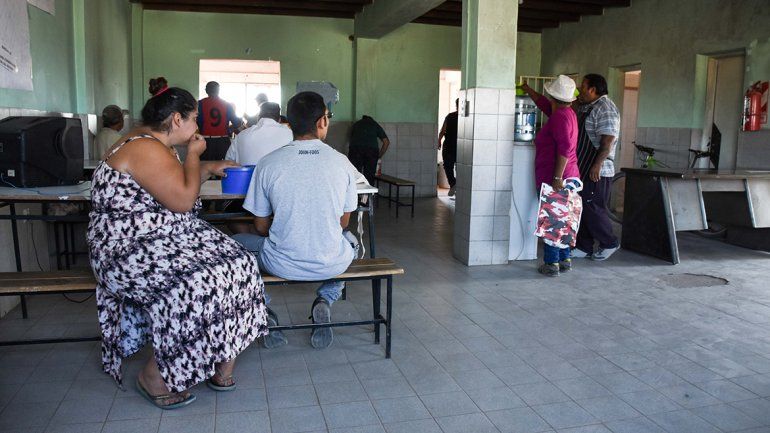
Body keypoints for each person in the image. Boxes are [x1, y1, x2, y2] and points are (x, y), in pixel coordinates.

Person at [87, 81, 268, 410]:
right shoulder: (144, 147)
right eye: (193, 119)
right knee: (194, 281)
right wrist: (195, 155)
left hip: (161, 238)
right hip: (126, 248)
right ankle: (154, 375)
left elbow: (170, 184)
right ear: (175, 120)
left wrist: (207, 166)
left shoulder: (152, 143)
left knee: (240, 263)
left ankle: (222, 357)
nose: (197, 126)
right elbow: (184, 200)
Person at [232, 91, 359, 350]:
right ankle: (325, 298)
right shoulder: (342, 163)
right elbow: (343, 223)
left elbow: (260, 226)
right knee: (353, 242)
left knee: (233, 247)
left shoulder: (269, 163)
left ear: (288, 122)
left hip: (280, 263)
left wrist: (287, 230)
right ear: (322, 121)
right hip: (331, 261)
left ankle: (263, 308)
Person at [520, 75, 580, 277]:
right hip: (568, 174)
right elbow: (545, 105)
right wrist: (528, 89)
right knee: (562, 218)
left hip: (557, 176)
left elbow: (565, 149)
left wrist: (556, 178)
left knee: (553, 220)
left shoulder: (560, 117)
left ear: (553, 96)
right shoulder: (564, 113)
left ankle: (551, 264)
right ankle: (565, 259)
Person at [572, 74, 621, 261]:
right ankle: (584, 246)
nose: (579, 90)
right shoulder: (589, 106)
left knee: (593, 208)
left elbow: (607, 140)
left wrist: (597, 165)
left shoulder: (605, 108)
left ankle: (609, 242)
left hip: (597, 170)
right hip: (583, 166)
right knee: (581, 206)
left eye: (583, 87)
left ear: (593, 89)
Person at [224, 102, 293, 234]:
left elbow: (229, 163)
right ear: (279, 119)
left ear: (258, 117)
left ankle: (248, 235)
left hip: (246, 198)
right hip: (281, 198)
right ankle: (270, 235)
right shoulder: (290, 135)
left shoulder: (242, 135)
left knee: (229, 214)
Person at [198, 81, 243, 160]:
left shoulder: (200, 104)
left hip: (206, 141)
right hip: (223, 142)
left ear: (206, 90)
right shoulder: (226, 105)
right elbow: (237, 123)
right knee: (223, 168)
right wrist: (229, 129)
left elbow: (197, 122)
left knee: (205, 168)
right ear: (218, 91)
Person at [348, 115, 389, 185]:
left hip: (356, 150)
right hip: (371, 151)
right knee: (369, 176)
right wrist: (379, 156)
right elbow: (386, 142)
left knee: (355, 174)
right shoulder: (374, 124)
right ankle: (369, 194)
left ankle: (355, 194)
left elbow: (351, 139)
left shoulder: (356, 124)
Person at [438, 98, 459, 197]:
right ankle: (454, 184)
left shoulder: (451, 117)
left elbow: (442, 131)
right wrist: (439, 140)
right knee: (448, 166)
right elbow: (442, 131)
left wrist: (439, 141)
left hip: (454, 146)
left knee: (448, 166)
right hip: (452, 146)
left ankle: (455, 184)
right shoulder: (450, 116)